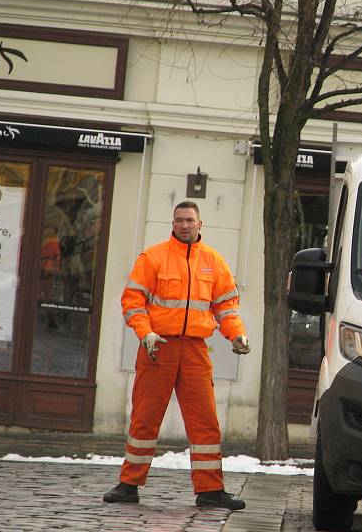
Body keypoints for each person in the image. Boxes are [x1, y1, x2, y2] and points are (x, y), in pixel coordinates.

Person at [103, 201, 251, 509]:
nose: (185, 225)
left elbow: (226, 307)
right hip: (158, 348)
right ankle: (128, 485)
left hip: (196, 349)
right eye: (180, 220)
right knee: (145, 417)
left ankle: (210, 490)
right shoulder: (153, 257)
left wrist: (236, 334)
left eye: (190, 220)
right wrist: (146, 334)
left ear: (201, 224)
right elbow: (133, 303)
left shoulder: (214, 262)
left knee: (206, 421)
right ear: (172, 223)